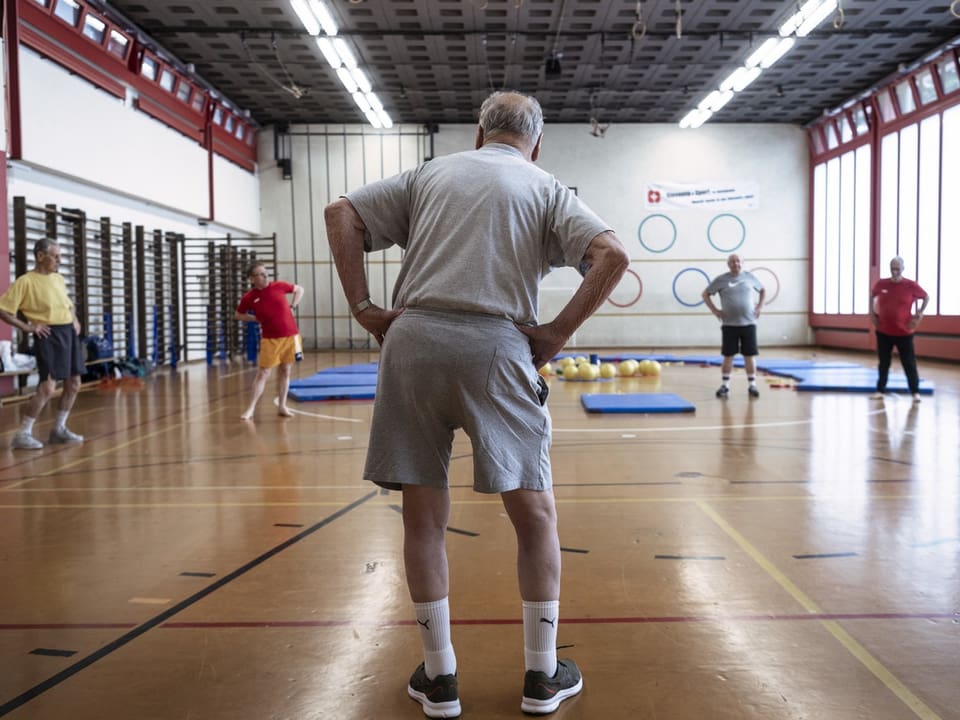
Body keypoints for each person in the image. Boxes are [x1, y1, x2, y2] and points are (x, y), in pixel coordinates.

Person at [324, 90, 628, 718]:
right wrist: (557, 333)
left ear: (478, 133)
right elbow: (611, 256)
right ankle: (541, 678)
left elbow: (340, 213)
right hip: (498, 343)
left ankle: (440, 680)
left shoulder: (431, 173)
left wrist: (363, 308)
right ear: (535, 142)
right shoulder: (546, 187)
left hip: (411, 341)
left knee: (423, 517)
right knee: (534, 514)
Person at [0, 239, 86, 449]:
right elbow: (3, 310)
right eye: (55, 256)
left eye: (59, 256)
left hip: (68, 333)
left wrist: (74, 319)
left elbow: (69, 305)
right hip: (49, 335)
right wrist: (29, 327)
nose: (59, 260)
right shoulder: (25, 281)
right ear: (40, 256)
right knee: (47, 387)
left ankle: (59, 429)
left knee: (74, 384)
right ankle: (23, 434)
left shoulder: (58, 279)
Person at [234, 262, 304, 420]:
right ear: (252, 279)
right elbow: (238, 314)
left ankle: (282, 406)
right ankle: (250, 409)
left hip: (292, 336)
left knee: (286, 370)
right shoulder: (249, 297)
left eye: (265, 272)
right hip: (270, 339)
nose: (265, 275)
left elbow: (299, 289)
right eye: (260, 274)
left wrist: (293, 305)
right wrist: (254, 318)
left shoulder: (279, 286)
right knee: (263, 373)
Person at [701, 254, 766, 399]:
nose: (735, 264)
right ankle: (725, 385)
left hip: (748, 324)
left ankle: (752, 385)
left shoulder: (750, 277)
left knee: (749, 356)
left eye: (738, 261)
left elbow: (762, 290)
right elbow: (705, 294)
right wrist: (715, 311)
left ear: (742, 263)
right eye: (732, 262)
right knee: (728, 356)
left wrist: (760, 307)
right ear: (728, 264)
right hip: (729, 325)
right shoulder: (721, 280)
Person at [869, 256, 928, 401]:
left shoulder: (911, 285)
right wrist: (872, 312)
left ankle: (915, 392)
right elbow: (872, 296)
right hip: (883, 331)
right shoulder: (881, 284)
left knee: (909, 363)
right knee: (884, 363)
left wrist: (919, 314)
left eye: (897, 268)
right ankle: (880, 390)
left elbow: (926, 297)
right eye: (892, 268)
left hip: (904, 332)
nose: (895, 271)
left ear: (902, 268)